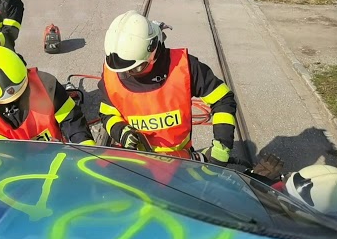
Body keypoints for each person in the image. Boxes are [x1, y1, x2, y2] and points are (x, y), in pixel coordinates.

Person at [100, 10, 239, 163]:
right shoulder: (112, 74)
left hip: (179, 160)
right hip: (138, 162)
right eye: (124, 70)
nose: (128, 73)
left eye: (136, 68)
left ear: (153, 50)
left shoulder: (184, 67)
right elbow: (108, 114)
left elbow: (223, 99)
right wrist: (121, 132)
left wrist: (221, 149)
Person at [0, 46, 95, 144]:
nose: (17, 101)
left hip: (58, 154)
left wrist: (87, 149)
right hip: (21, 167)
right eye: (8, 102)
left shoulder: (46, 84)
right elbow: (1, 156)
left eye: (22, 93)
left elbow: (72, 120)